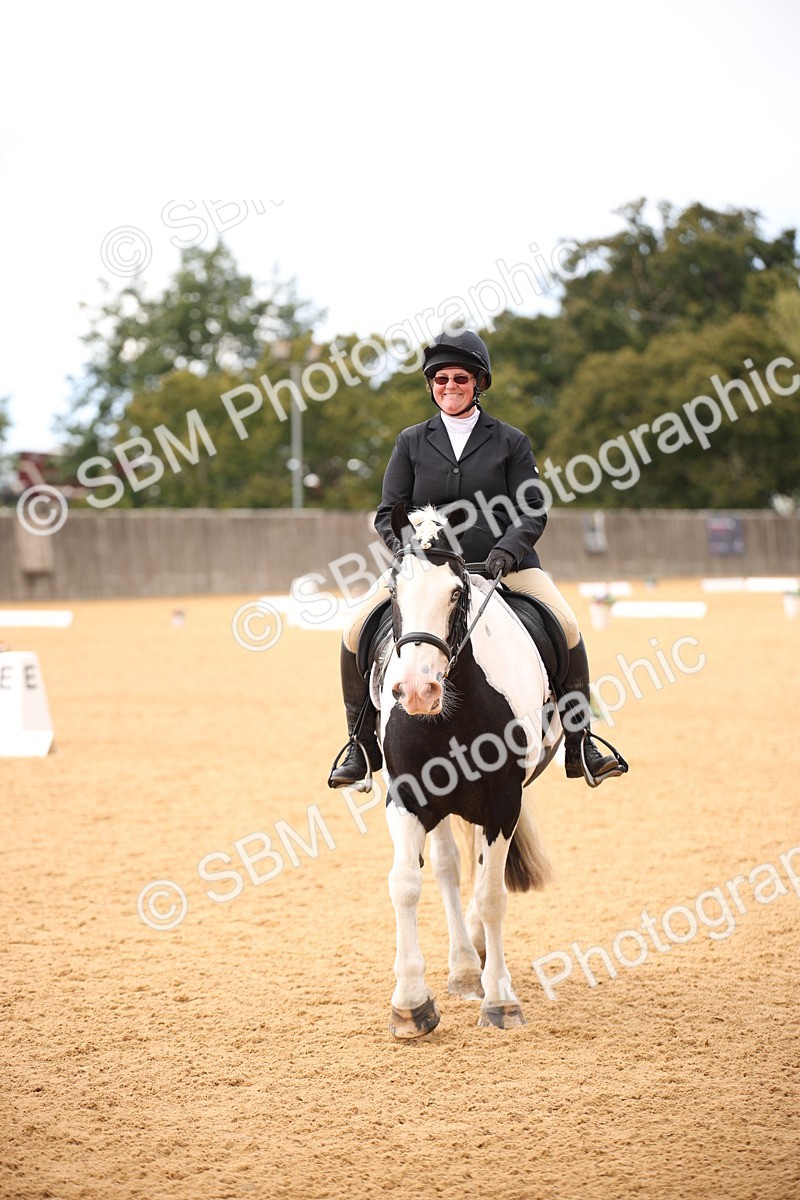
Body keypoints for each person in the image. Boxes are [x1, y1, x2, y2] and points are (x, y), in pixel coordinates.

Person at [327, 329, 627, 789]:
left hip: (503, 564)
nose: (450, 386)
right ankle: (360, 745)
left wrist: (508, 550)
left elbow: (532, 509)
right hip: (426, 570)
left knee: (567, 627)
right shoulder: (411, 441)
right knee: (354, 631)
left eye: (460, 378)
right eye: (441, 379)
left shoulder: (510, 441)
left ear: (479, 382)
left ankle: (580, 741)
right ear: (431, 385)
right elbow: (388, 512)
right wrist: (408, 552)